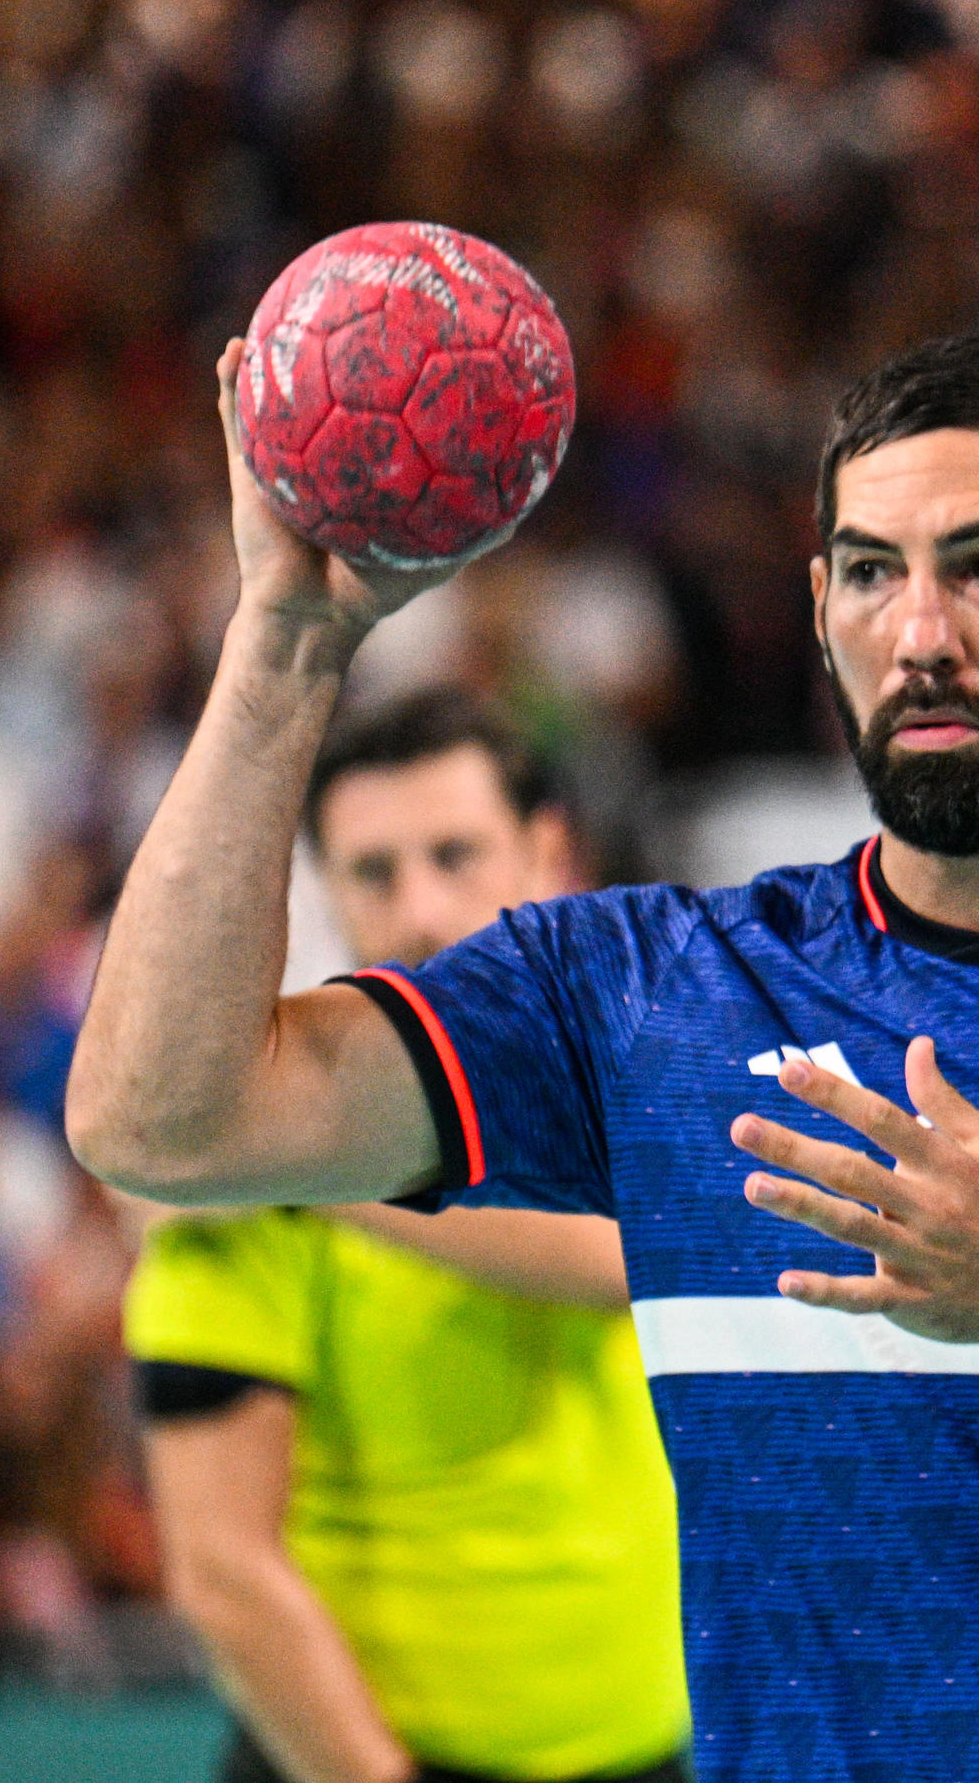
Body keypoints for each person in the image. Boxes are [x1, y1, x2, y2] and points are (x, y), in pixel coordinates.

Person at [71, 330, 979, 1781]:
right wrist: (283, 642)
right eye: (868, 572)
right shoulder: (654, 992)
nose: (920, 635)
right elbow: (159, 1120)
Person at [119, 688, 688, 1783]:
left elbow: (636, 1256)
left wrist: (299, 1168)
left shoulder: (645, 1080)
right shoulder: (233, 1199)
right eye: (373, 872)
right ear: (325, 892)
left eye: (455, 854)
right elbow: (222, 1574)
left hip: (657, 1753)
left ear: (547, 852)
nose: (420, 909)